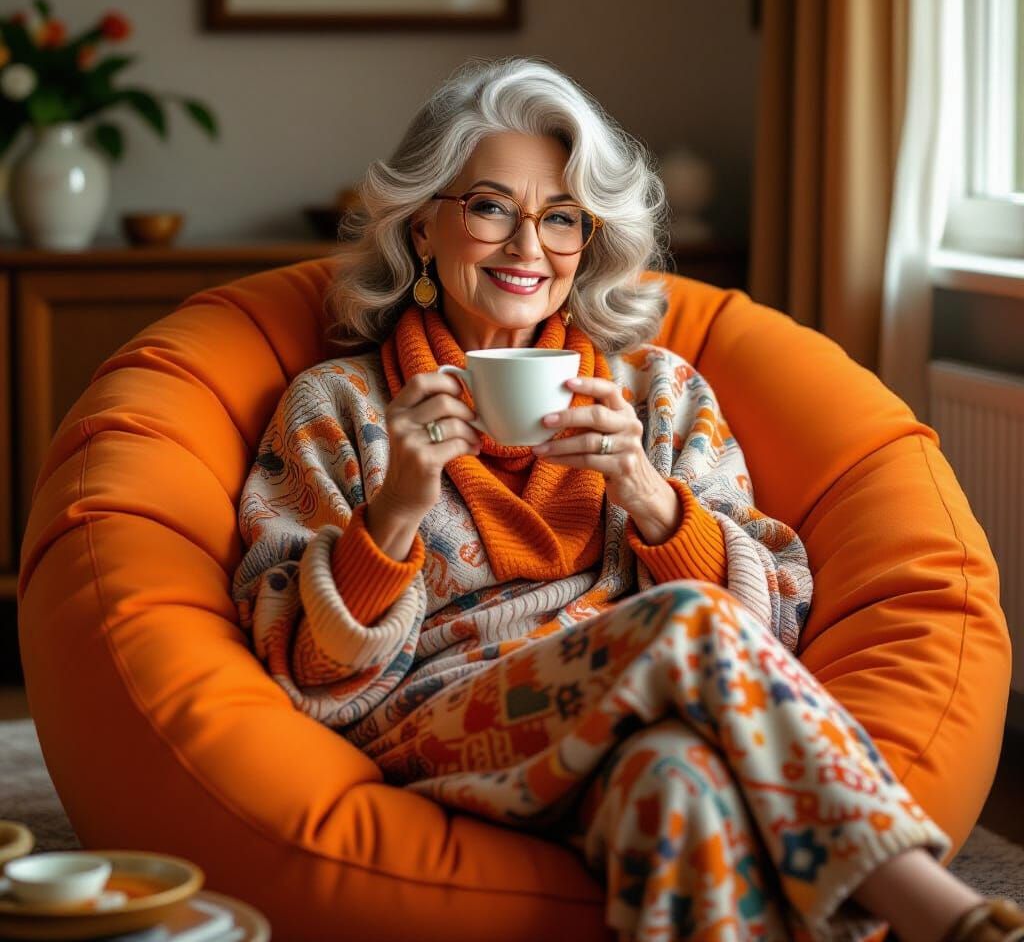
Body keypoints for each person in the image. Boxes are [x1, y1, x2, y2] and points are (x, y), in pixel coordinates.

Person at [231, 56, 1023, 942]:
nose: (529, 248)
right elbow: (302, 663)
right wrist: (398, 509)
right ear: (423, 227)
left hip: (649, 715)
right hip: (443, 719)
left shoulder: (658, 393)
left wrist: (650, 496)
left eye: (561, 218)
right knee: (688, 621)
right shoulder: (336, 405)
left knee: (679, 782)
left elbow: (775, 632)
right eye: (492, 207)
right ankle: (941, 915)